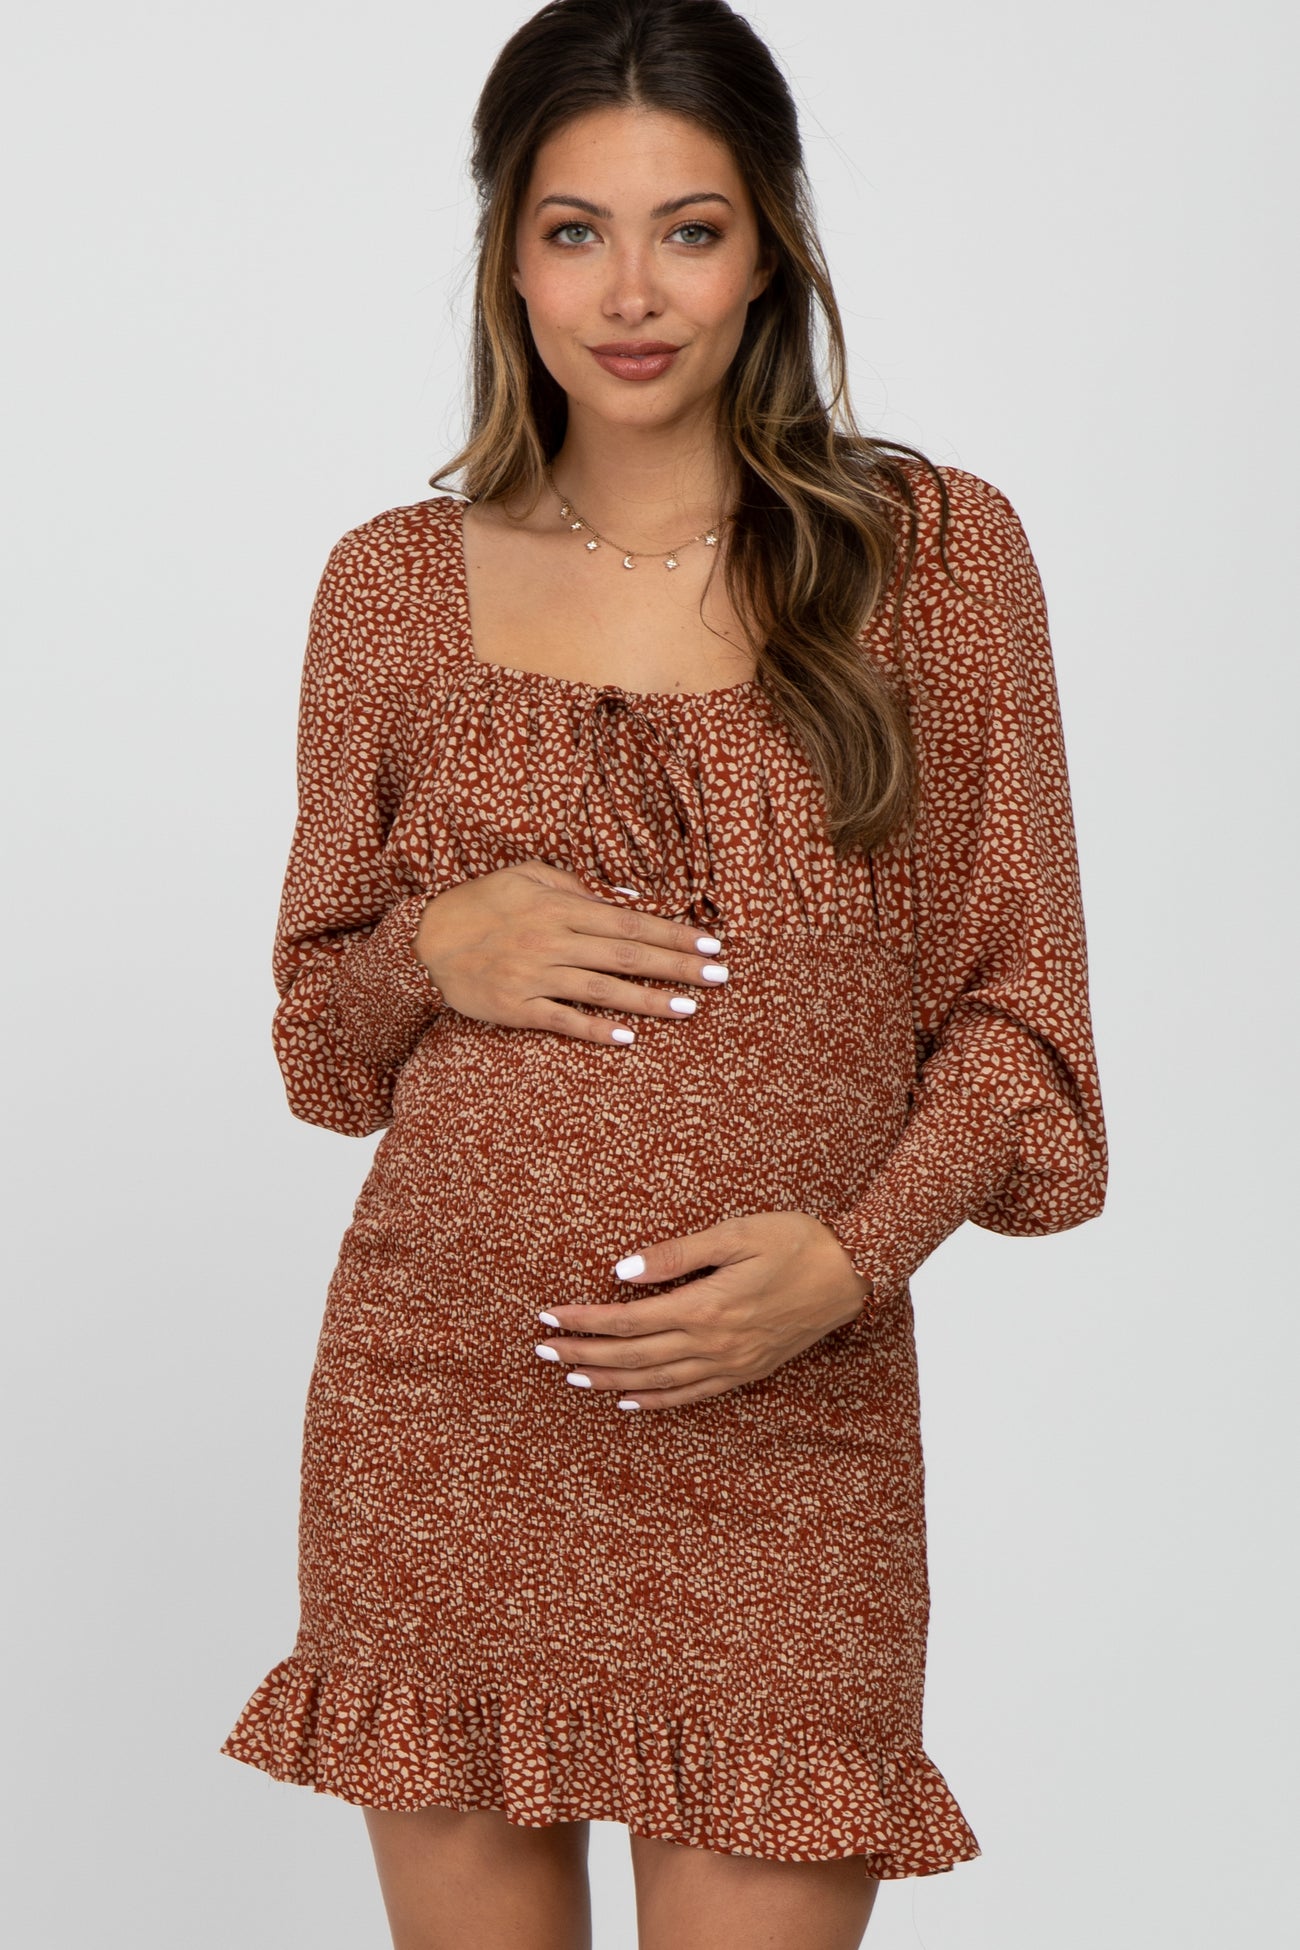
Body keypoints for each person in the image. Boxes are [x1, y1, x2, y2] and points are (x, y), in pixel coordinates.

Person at [219, 2, 1108, 1945]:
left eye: (688, 230)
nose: (631, 293)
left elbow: (1021, 1024)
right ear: (506, 256)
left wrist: (849, 1261)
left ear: (769, 246)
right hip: (445, 1421)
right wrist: (431, 947)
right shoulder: (389, 588)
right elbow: (319, 1045)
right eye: (576, 231)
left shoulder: (932, 560)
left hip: (787, 1439)